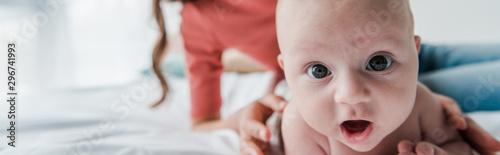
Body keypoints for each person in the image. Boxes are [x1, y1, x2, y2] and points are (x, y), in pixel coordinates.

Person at [150, 0, 500, 154]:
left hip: (401, 55)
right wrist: (252, 115)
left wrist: (416, 98)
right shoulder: (199, 18)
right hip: (382, 70)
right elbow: (204, 122)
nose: (351, 93)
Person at [276, 0, 473, 154]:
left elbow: (458, 146)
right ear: (286, 72)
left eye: (379, 62)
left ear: (415, 52)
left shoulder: (422, 104)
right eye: (318, 70)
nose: (351, 94)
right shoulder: (299, 127)